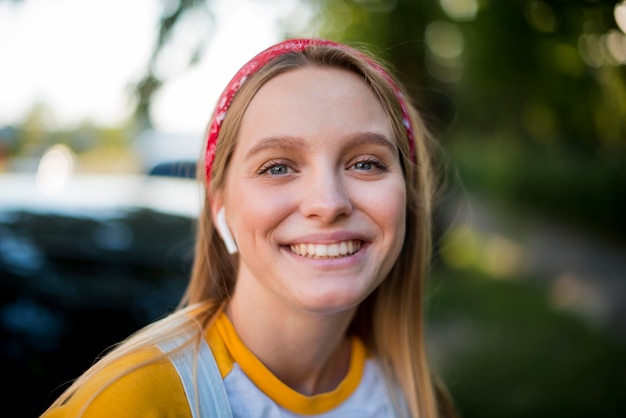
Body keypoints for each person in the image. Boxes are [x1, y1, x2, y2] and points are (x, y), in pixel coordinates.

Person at [40, 38, 457, 418]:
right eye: (277, 167)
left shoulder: (417, 401)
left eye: (366, 163)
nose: (328, 204)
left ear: (407, 198)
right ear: (220, 208)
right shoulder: (128, 402)